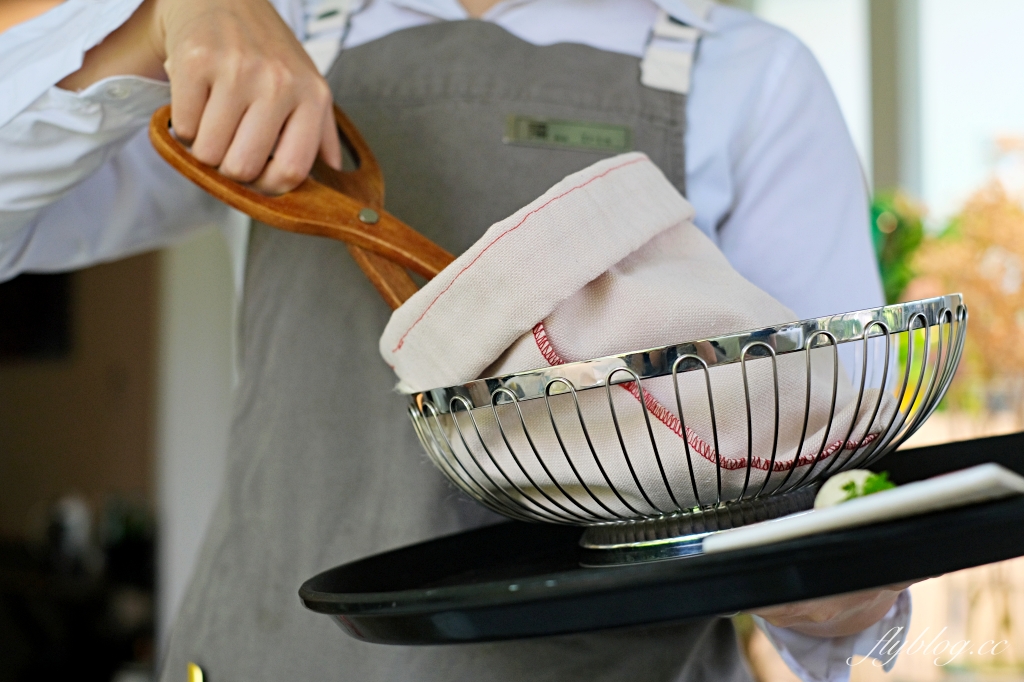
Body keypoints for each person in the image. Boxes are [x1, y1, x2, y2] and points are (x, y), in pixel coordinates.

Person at [0, 0, 910, 680]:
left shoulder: (747, 77)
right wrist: (161, 17)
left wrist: (836, 591)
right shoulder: (277, 32)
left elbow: (830, 501)